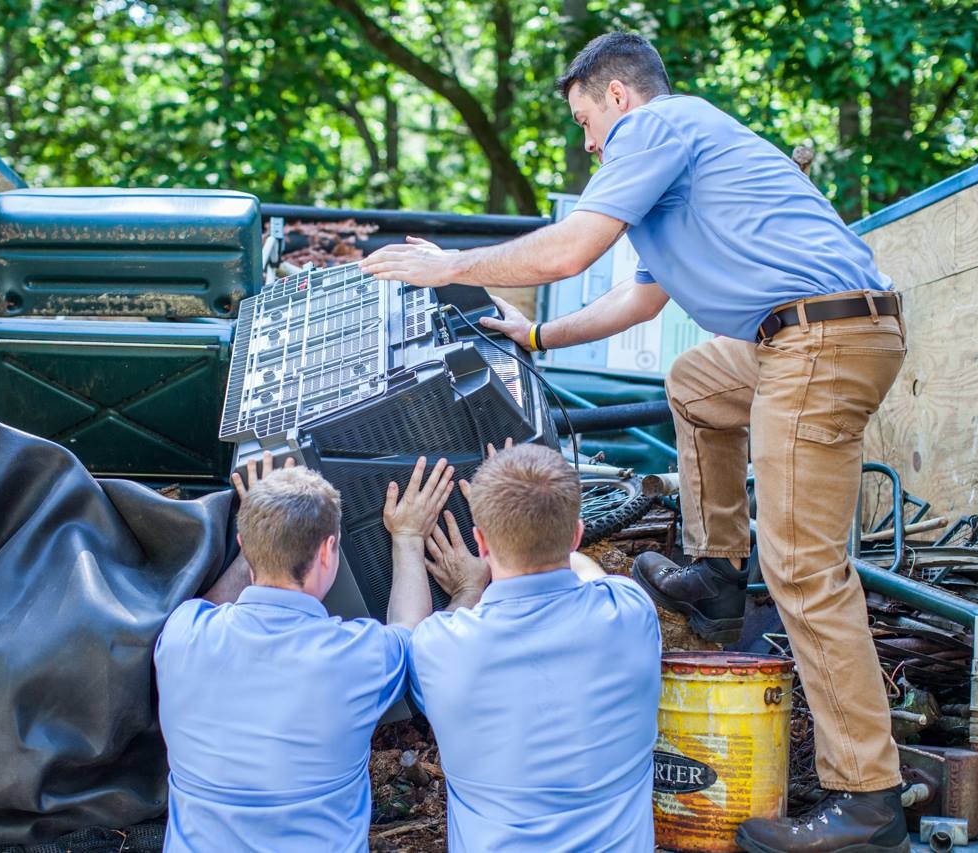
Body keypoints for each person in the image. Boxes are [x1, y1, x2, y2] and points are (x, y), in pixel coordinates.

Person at [360, 31, 908, 853]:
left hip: (820, 341)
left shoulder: (657, 128)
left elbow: (572, 246)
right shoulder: (672, 177)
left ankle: (868, 800)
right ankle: (718, 572)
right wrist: (539, 338)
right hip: (799, 337)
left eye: (585, 120)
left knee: (801, 567)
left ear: (617, 97)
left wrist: (449, 268)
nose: (586, 143)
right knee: (695, 381)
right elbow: (638, 304)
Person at [153, 453, 458, 853]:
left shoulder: (181, 635)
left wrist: (262, 531)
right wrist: (408, 537)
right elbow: (413, 635)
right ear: (328, 551)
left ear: (244, 546)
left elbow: (211, 605)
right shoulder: (359, 658)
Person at [404, 443, 662, 850]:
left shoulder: (443, 648)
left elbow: (403, 637)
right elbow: (589, 574)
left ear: (481, 544)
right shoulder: (631, 613)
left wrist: (460, 579)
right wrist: (540, 521)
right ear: (577, 534)